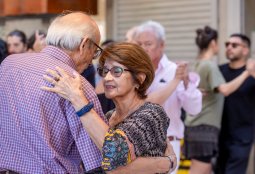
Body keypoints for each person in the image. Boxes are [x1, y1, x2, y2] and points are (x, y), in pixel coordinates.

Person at [42, 42, 178, 173]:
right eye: (105, 71)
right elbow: (95, 163)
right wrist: (165, 163)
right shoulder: (108, 117)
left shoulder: (152, 114)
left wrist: (77, 98)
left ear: (139, 79)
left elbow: (114, 153)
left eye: (117, 71)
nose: (106, 78)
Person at [0, 11, 106, 173]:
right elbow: (99, 159)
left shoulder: (9, 65)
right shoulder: (78, 86)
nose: (92, 59)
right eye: (96, 50)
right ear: (84, 45)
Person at [134, 20, 202, 174]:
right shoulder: (132, 72)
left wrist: (185, 83)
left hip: (168, 146)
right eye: (139, 44)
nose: (143, 48)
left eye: (148, 44)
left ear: (162, 45)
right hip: (137, 146)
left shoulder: (174, 71)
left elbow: (194, 109)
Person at [184, 27, 250, 174]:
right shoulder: (210, 66)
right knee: (200, 169)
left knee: (205, 169)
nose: (226, 47)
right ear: (213, 43)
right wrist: (247, 73)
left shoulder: (196, 64)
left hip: (196, 126)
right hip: (204, 128)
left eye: (233, 45)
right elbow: (225, 90)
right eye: (224, 43)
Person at [217, 33, 255, 174]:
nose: (229, 47)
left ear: (245, 50)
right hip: (220, 134)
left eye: (234, 45)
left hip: (242, 135)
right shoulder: (219, 70)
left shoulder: (253, 73)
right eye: (227, 44)